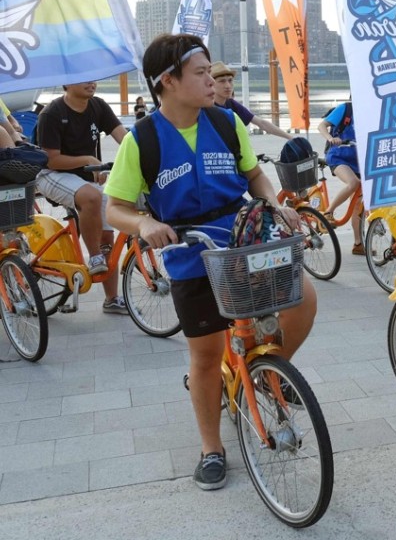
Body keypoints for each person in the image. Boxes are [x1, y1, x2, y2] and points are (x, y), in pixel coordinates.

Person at [104, 33, 317, 491]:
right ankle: (211, 449)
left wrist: (274, 203)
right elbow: (113, 207)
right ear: (167, 81)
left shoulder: (224, 122)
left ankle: (267, 373)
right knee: (206, 355)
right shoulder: (141, 140)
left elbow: (255, 175)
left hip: (242, 238)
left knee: (304, 298)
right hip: (188, 252)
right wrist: (143, 226)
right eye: (200, 73)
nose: (210, 81)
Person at [35, 80, 129, 314]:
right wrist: (89, 160)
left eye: (94, 78)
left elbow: (125, 138)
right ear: (66, 83)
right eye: (84, 78)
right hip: (51, 174)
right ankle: (95, 257)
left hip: (86, 176)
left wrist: (144, 152)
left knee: (108, 233)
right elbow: (51, 159)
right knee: (91, 198)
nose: (92, 83)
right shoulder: (52, 113)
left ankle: (112, 299)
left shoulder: (98, 106)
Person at [317, 100, 363, 254]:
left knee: (358, 204)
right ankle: (328, 212)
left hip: (359, 160)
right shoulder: (346, 108)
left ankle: (358, 244)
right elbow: (322, 126)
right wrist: (330, 138)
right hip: (338, 156)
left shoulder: (371, 111)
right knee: (353, 183)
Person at [210, 62, 294, 140]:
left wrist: (291, 138)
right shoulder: (206, 108)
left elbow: (261, 123)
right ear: (211, 84)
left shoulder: (231, 104)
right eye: (222, 81)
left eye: (230, 80)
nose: (228, 86)